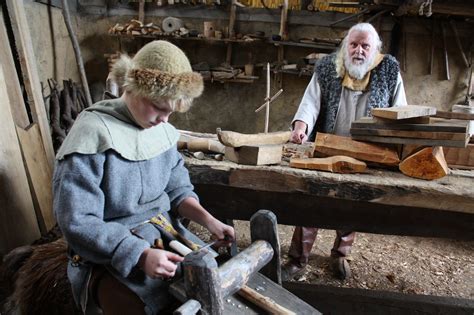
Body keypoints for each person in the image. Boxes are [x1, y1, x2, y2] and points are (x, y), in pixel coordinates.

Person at [53, 40, 235, 314]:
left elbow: (177, 189)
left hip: (163, 233)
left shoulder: (161, 130)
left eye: (171, 111)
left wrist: (208, 220)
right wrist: (137, 254)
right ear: (132, 87)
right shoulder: (92, 134)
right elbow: (77, 221)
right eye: (158, 106)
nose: (164, 119)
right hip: (106, 251)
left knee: (214, 285)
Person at [283, 23, 407, 281]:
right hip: (327, 146)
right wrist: (301, 126)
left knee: (352, 202)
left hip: (368, 150)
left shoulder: (389, 70)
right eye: (353, 44)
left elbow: (400, 109)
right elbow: (310, 102)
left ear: (375, 50)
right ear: (345, 46)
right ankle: (298, 257)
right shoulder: (328, 67)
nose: (358, 50)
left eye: (365, 46)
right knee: (313, 199)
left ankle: (341, 254)